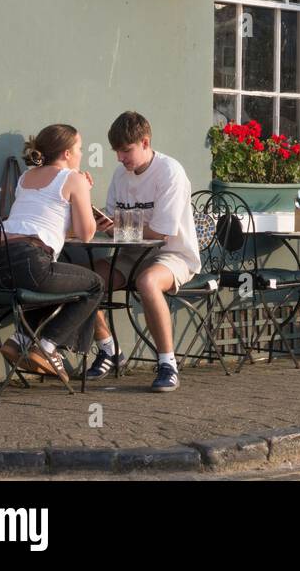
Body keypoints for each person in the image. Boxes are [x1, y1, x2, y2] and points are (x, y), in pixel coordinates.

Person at [86, 111, 200, 392]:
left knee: (148, 281)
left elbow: (161, 233)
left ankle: (167, 364)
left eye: (125, 150)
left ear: (145, 142)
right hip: (130, 255)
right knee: (86, 280)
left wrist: (116, 229)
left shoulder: (170, 172)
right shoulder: (119, 174)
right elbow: (111, 221)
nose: (119, 158)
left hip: (173, 255)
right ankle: (109, 350)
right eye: (116, 151)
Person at [0, 125, 105, 384]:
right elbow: (86, 234)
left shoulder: (25, 178)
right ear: (67, 153)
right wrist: (84, 193)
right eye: (79, 149)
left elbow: (45, 225)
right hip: (33, 262)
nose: (81, 153)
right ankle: (46, 346)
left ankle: (20, 339)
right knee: (94, 285)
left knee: (56, 283)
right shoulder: (74, 179)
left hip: (1, 263)